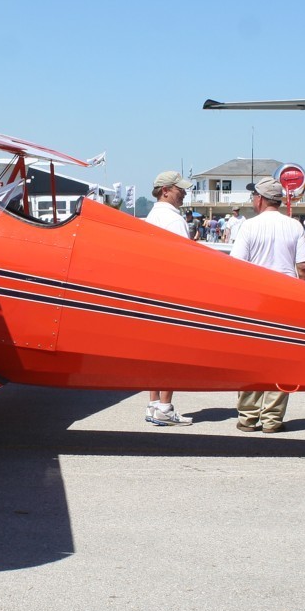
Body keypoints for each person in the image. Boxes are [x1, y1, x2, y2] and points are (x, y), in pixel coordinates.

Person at [230, 176, 305, 434]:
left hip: (255, 302)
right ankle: (272, 419)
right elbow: (303, 267)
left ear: (261, 199)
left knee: (251, 361)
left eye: (253, 196)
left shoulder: (249, 227)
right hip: (286, 302)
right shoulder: (295, 227)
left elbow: (236, 267)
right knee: (281, 361)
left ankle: (247, 417)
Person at [142, 170, 195, 427]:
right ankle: (165, 406)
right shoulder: (173, 220)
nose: (183, 193)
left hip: (152, 290)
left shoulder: (152, 215)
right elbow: (186, 260)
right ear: (166, 190)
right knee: (171, 353)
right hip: (171, 293)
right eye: (179, 189)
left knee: (154, 352)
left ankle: (154, 404)